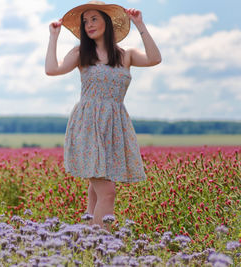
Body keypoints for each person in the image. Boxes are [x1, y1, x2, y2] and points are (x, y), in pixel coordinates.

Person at [45, 1, 161, 229]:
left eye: (94, 19)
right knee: (107, 192)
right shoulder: (81, 53)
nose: (88, 25)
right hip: (87, 126)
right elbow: (51, 69)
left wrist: (140, 24)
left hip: (114, 127)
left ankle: (85, 244)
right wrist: (54, 36)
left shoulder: (125, 55)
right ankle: (101, 247)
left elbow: (155, 58)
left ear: (107, 22)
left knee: (96, 194)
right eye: (85, 21)